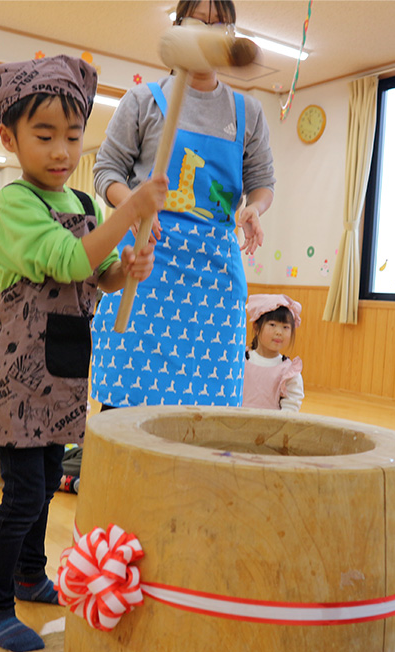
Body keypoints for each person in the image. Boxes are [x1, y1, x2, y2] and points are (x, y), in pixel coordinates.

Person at [0, 55, 166, 652]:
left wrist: (127, 265)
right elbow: (70, 260)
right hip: (15, 374)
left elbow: (100, 274)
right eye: (44, 135)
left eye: (74, 137)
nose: (61, 151)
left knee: (49, 479)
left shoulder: (83, 202)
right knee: (23, 492)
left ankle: (30, 575)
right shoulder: (15, 203)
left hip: (65, 367)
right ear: (9, 138)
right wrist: (129, 210)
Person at [89, 0, 276, 409]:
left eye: (219, 24)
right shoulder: (143, 100)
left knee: (207, 409)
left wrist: (254, 209)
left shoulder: (248, 111)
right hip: (148, 261)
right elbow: (106, 171)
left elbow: (262, 182)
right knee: (127, 401)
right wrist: (135, 204)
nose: (209, 32)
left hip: (215, 278)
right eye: (199, 22)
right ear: (178, 27)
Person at [242, 294, 304, 411]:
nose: (279, 332)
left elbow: (291, 407)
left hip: (272, 423)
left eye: (285, 327)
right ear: (256, 327)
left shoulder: (288, 372)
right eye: (272, 325)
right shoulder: (241, 361)